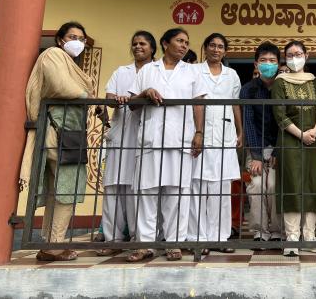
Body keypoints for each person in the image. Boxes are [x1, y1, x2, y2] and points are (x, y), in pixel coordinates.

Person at [126, 28, 208, 262]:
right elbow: (132, 105)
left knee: (177, 194)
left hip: (181, 139)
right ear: (165, 43)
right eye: (179, 41)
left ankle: (174, 243)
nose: (184, 45)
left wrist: (199, 132)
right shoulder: (147, 70)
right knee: (146, 193)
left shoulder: (191, 71)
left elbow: (198, 104)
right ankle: (145, 244)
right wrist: (145, 93)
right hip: (151, 140)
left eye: (186, 42)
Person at [20, 22, 94, 261]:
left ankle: (51, 243)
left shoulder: (69, 62)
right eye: (73, 36)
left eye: (82, 39)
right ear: (60, 39)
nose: (78, 42)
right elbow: (60, 86)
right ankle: (54, 245)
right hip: (57, 132)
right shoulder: (53, 55)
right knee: (66, 189)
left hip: (68, 134)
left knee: (58, 190)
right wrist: (88, 96)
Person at [98, 31, 157, 256]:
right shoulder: (121, 72)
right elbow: (109, 97)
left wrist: (135, 97)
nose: (138, 47)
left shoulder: (157, 71)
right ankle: (112, 239)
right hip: (120, 133)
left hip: (145, 135)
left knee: (138, 189)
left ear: (152, 48)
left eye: (143, 44)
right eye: (134, 44)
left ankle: (137, 238)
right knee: (113, 186)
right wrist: (117, 100)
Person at [188, 33, 242, 254]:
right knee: (198, 187)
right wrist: (196, 131)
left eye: (220, 46)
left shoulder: (232, 75)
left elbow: (235, 104)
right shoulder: (194, 71)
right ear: (205, 48)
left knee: (221, 189)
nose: (216, 49)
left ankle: (220, 237)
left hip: (225, 134)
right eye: (212, 45)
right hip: (200, 133)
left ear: (225, 51)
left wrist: (240, 131)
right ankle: (197, 238)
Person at [272, 41, 316, 256]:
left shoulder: (315, 81)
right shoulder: (280, 82)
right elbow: (279, 114)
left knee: (311, 184)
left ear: (307, 55)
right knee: (291, 185)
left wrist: (315, 131)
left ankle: (309, 236)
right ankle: (292, 237)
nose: (295, 58)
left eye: (298, 54)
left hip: (313, 139)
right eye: (290, 55)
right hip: (290, 139)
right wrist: (301, 134)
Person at [240, 41, 282, 246]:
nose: (268, 64)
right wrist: (256, 156)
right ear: (256, 64)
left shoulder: (283, 87)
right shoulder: (248, 90)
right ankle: (259, 230)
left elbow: (285, 123)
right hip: (256, 147)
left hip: (279, 149)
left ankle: (276, 229)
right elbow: (248, 122)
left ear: (279, 63)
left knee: (274, 185)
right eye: (263, 60)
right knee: (256, 185)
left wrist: (278, 151)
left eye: (272, 61)